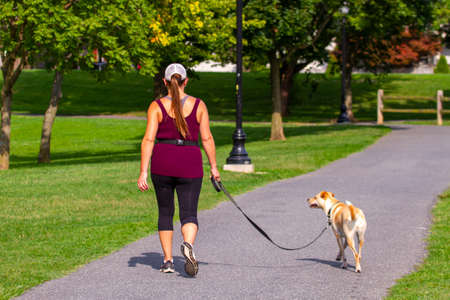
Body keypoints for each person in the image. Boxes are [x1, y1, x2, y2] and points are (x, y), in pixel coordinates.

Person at [137, 63, 220, 277]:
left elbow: (148, 139)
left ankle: (167, 261)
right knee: (189, 212)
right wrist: (213, 167)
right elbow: (207, 138)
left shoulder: (156, 106)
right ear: (186, 81)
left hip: (162, 162)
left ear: (165, 82)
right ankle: (188, 245)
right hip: (190, 163)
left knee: (165, 212)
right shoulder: (199, 105)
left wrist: (143, 172)